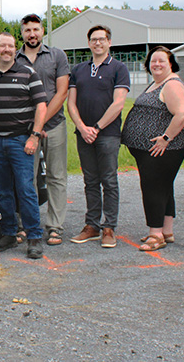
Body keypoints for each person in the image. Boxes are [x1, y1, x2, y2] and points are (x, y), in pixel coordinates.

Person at [0, 32, 48, 259]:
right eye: (2, 46)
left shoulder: (28, 74)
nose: (6, 50)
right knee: (4, 190)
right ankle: (9, 233)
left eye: (10, 46)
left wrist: (34, 136)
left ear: (15, 49)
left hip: (22, 141)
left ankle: (34, 237)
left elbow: (41, 106)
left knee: (26, 190)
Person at [121, 47, 184, 252]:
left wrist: (165, 138)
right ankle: (166, 231)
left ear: (171, 63)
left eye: (162, 61)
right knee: (164, 188)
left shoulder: (171, 85)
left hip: (163, 149)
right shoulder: (157, 83)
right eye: (153, 61)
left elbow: (183, 114)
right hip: (150, 149)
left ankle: (155, 234)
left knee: (153, 188)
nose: (157, 64)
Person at [67, 25, 130, 249]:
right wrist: (83, 128)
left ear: (109, 42)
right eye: (93, 39)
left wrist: (96, 127)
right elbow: (71, 103)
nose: (98, 43)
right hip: (83, 134)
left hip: (108, 134)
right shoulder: (79, 69)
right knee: (90, 181)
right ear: (89, 42)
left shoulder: (119, 68)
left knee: (109, 180)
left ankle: (109, 227)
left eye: (102, 39)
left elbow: (119, 102)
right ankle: (92, 225)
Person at [16, 13, 71, 246]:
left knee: (56, 176)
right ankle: (27, 225)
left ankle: (55, 227)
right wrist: (34, 128)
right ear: (22, 33)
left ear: (42, 31)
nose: (32, 34)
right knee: (26, 178)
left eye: (36, 29)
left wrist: (41, 123)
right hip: (25, 129)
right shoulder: (14, 59)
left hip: (54, 124)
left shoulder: (57, 55)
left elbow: (62, 92)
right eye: (28, 30)